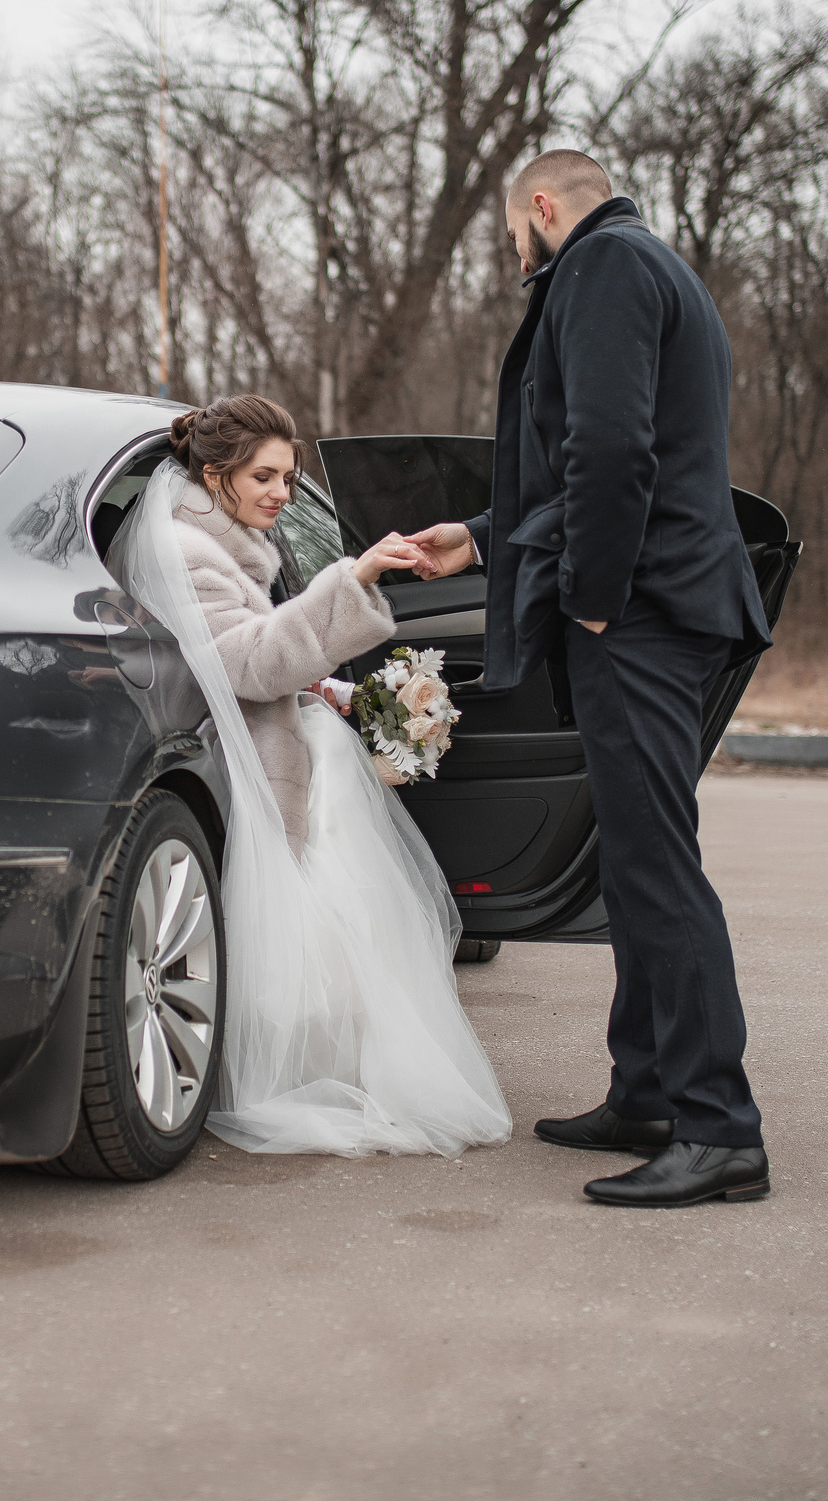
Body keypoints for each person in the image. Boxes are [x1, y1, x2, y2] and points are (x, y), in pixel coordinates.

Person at [406, 151, 774, 1208]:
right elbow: (588, 456)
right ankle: (648, 1090)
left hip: (643, 612)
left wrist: (597, 595)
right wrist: (476, 542)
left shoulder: (604, 265)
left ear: (537, 205)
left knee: (656, 868)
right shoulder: (651, 265)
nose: (513, 255)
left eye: (509, 234)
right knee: (634, 859)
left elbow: (610, 454)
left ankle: (719, 1129)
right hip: (664, 603)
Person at [112, 395, 511, 1157]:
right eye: (264, 476)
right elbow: (247, 662)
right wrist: (350, 579)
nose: (280, 494)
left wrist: (328, 690)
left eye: (290, 480)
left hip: (269, 746)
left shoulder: (224, 543)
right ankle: (300, 1066)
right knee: (319, 925)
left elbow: (243, 664)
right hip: (247, 771)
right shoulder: (186, 551)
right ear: (216, 472)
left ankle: (329, 1055)